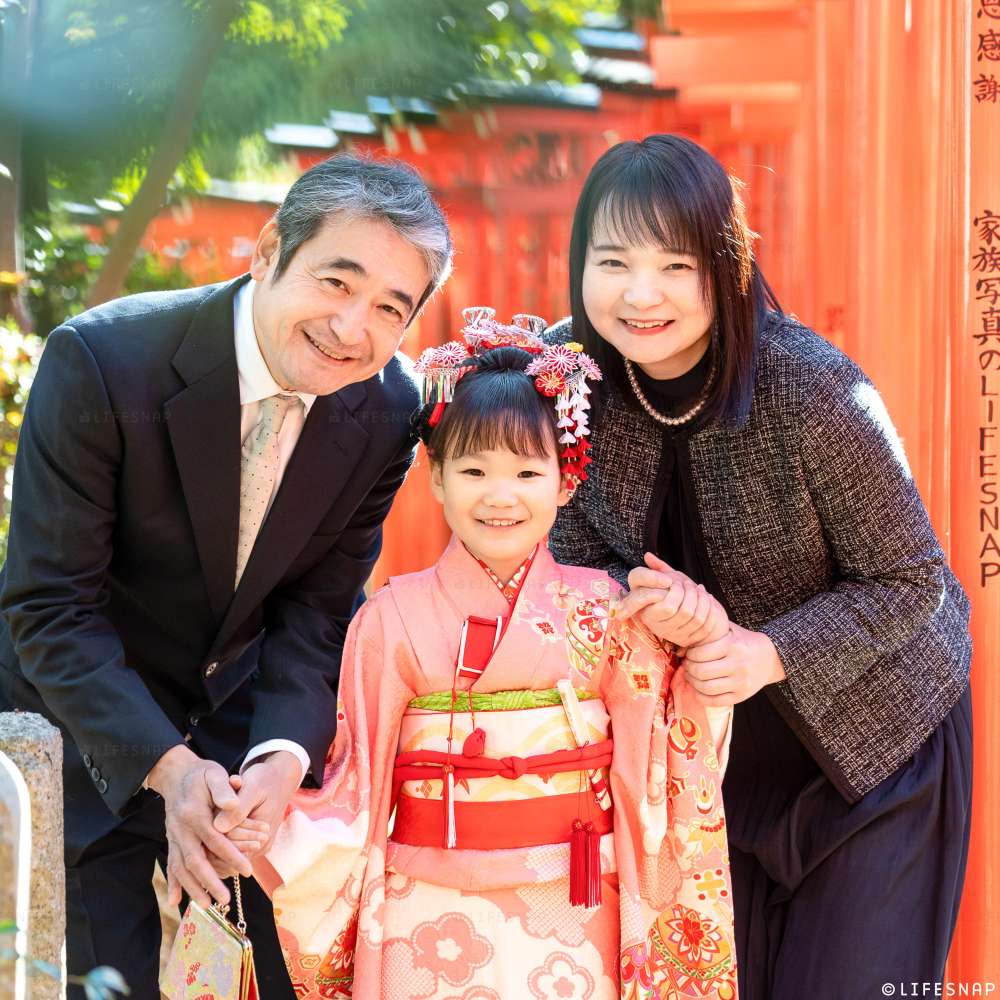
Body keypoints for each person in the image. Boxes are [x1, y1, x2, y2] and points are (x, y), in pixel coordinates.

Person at [0, 154, 452, 999]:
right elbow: (51, 606)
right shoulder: (103, 363)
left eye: (390, 308)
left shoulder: (388, 407)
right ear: (267, 249)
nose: (352, 328)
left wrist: (283, 757)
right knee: (103, 981)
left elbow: (318, 612)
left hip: (241, 743)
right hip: (87, 723)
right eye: (335, 282)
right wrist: (168, 770)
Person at [544, 133, 973, 999]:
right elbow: (569, 565)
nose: (640, 294)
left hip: (870, 749)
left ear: (727, 263)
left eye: (674, 265)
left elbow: (911, 579)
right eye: (613, 260)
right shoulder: (567, 381)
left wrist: (761, 652)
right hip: (699, 768)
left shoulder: (810, 387)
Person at [244, 310, 737, 999]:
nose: (499, 496)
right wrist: (271, 826)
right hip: (427, 907)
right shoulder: (390, 618)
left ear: (565, 485)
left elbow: (660, 753)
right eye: (473, 469)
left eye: (527, 472)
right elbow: (354, 787)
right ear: (437, 478)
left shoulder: (607, 610)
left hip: (577, 899)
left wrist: (705, 648)